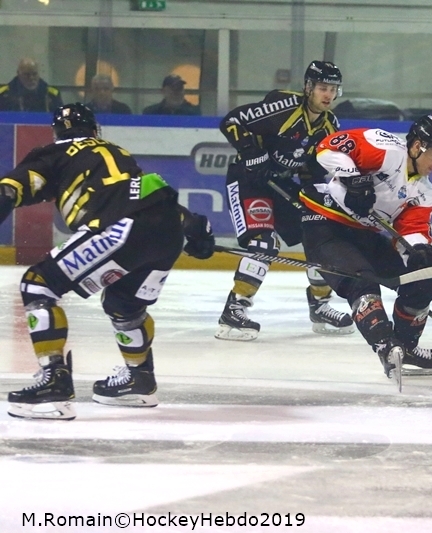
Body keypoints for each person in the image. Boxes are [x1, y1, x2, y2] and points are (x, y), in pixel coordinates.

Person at [0, 103, 215, 420]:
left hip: (119, 226)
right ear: (95, 130)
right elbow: (145, 192)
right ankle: (139, 380)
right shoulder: (117, 152)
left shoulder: (53, 153)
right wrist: (194, 227)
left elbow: (9, 192)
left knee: (38, 285)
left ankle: (54, 383)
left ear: (58, 132)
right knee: (123, 302)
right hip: (168, 227)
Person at [298, 115, 432, 379]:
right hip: (324, 222)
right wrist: (352, 178)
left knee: (423, 283)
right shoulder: (386, 149)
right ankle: (386, 346)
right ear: (417, 146)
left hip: (362, 233)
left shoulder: (425, 192)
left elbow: (412, 230)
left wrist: (419, 251)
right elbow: (326, 148)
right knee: (363, 282)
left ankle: (405, 348)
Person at [215, 60, 354, 340]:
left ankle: (320, 305)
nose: (328, 95)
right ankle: (234, 309)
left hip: (280, 183)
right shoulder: (283, 107)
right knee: (264, 243)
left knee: (320, 233)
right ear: (308, 88)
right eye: (322, 88)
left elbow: (313, 170)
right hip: (248, 181)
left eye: (333, 89)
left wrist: (317, 198)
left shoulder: (330, 126)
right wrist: (251, 151)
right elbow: (231, 121)